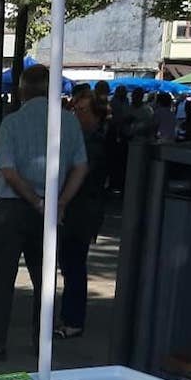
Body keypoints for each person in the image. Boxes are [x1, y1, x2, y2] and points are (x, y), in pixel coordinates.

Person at [0, 65, 88, 360]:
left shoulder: (12, 123)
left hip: (13, 208)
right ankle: (42, 342)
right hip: (50, 208)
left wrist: (35, 200)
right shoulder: (69, 123)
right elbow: (81, 167)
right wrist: (59, 203)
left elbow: (8, 170)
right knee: (45, 281)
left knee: (2, 280)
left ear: (22, 90)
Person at [56, 89, 108, 340]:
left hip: (81, 212)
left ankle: (73, 318)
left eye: (83, 110)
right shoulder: (81, 138)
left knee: (74, 265)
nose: (77, 114)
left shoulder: (93, 142)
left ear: (96, 115)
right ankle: (70, 316)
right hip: (77, 210)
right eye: (76, 109)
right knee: (69, 264)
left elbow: (81, 175)